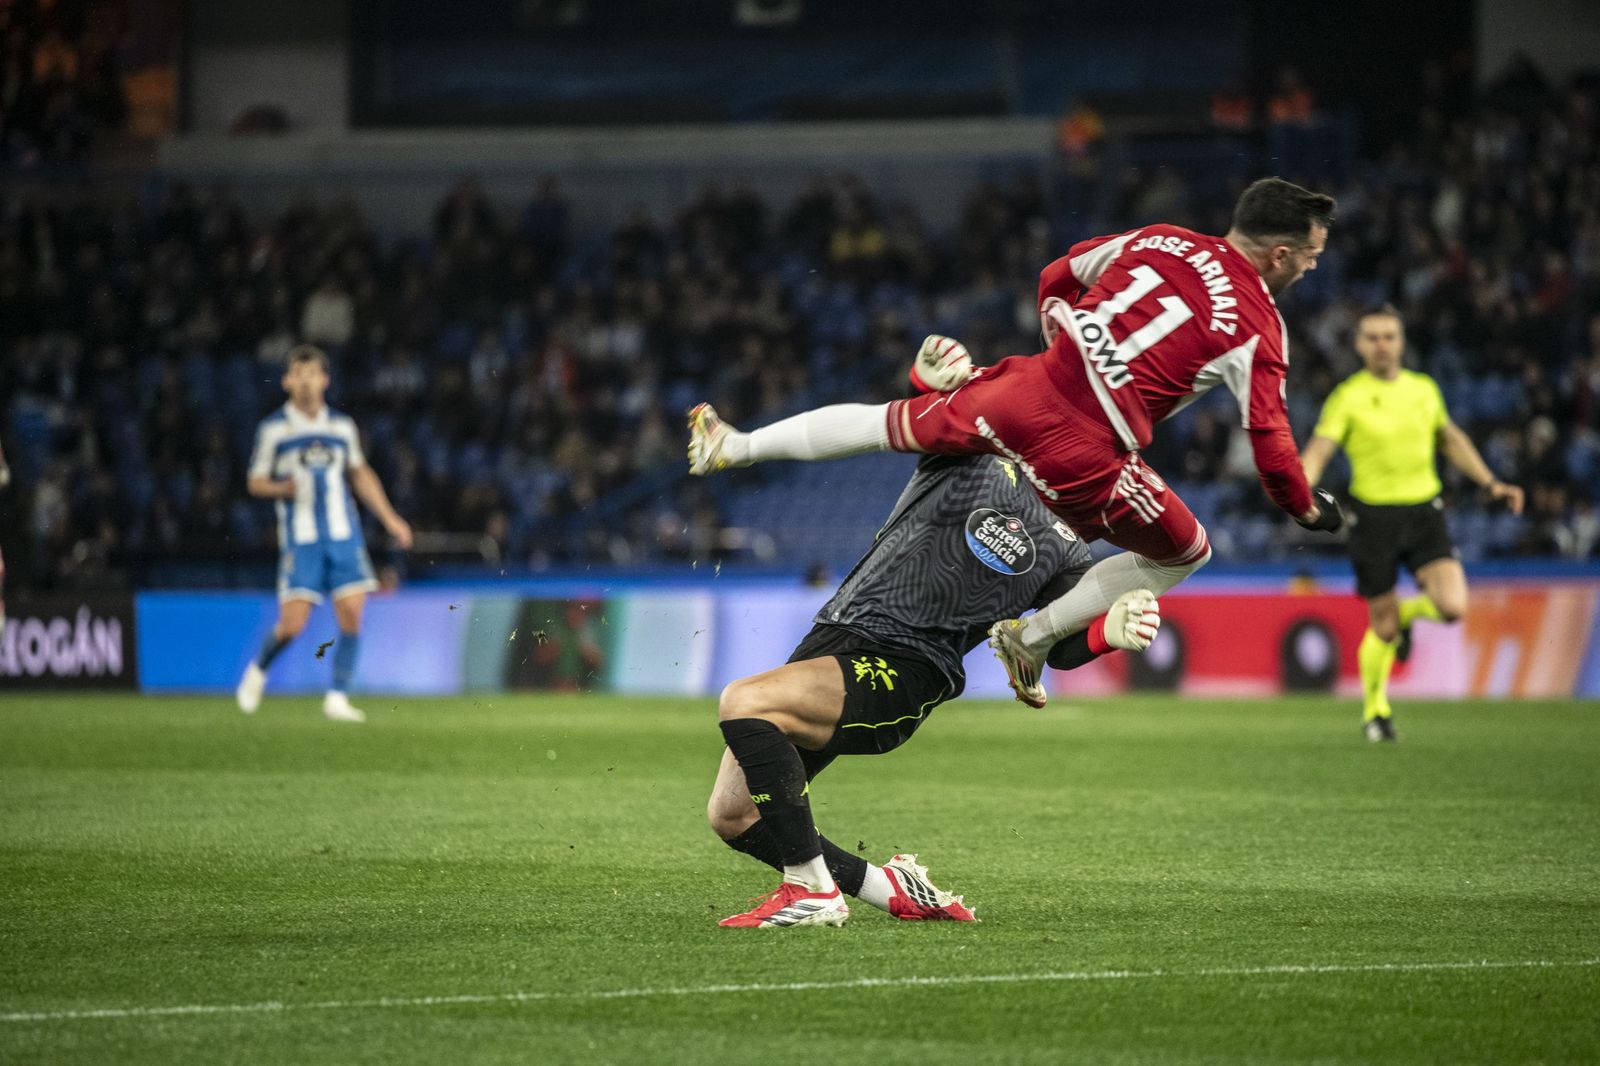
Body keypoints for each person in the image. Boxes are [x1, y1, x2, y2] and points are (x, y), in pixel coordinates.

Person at [689, 177, 1344, 708]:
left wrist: (1059, 353)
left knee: (884, 420)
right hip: (1090, 446)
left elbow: (1058, 274)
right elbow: (1271, 446)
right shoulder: (1260, 323)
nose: (1311, 268)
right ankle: (1031, 638)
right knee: (1184, 552)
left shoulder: (1162, 238)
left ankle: (735, 445)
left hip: (1028, 387)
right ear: (1279, 255)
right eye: (1310, 256)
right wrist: (1309, 510)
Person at [711, 383, 1162, 927]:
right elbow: (921, 415)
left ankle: (811, 890)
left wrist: (1105, 633)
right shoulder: (975, 448)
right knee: (734, 815)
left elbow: (1053, 648)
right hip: (835, 634)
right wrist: (926, 380)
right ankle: (889, 888)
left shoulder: (1070, 550)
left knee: (745, 702)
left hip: (910, 668)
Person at [1300, 307, 1523, 741]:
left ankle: (1405, 614)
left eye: (1389, 336)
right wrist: (1299, 488)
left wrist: (1490, 482)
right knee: (1381, 626)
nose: (1382, 345)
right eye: (1373, 337)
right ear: (1360, 345)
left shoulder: (1423, 390)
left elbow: (1450, 439)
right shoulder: (1349, 396)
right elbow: (1321, 448)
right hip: (1373, 518)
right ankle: (1375, 712)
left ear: (1401, 343)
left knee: (1452, 606)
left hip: (1424, 512)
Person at [235, 346, 413, 723]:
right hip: (301, 539)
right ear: (286, 381)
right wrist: (281, 489)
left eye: (312, 373)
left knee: (352, 611)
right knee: (293, 625)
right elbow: (254, 481)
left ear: (325, 380)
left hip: (344, 533)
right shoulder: (273, 430)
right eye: (297, 373)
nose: (305, 380)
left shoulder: (341, 427)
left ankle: (337, 696)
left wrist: (390, 518)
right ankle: (258, 669)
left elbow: (360, 475)